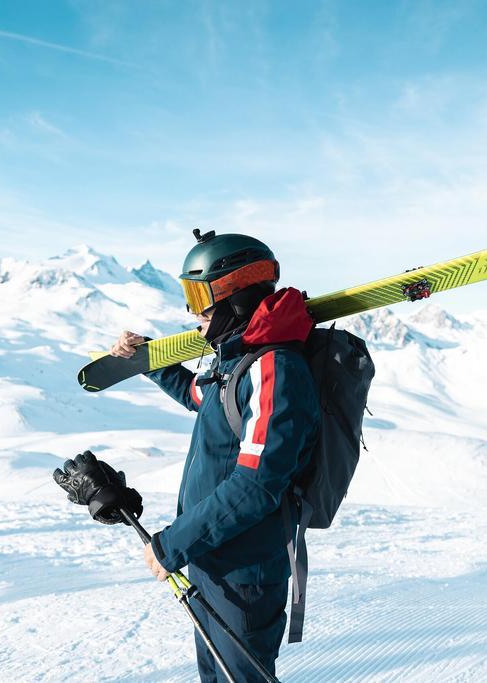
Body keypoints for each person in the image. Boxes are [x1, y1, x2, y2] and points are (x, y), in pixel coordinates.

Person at [110, 230, 320, 682]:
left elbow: (256, 485)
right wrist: (150, 360)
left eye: (199, 296)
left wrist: (174, 544)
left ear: (234, 296)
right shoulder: (235, 363)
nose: (192, 313)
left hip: (244, 574)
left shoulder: (274, 368)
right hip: (212, 560)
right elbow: (200, 399)